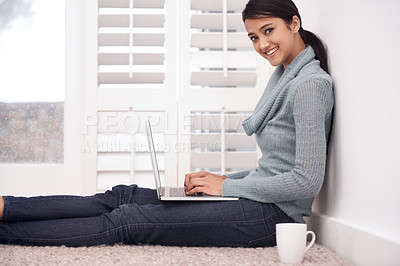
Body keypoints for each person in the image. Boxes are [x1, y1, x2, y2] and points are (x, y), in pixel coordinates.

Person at [0, 0, 334, 247]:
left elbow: (305, 182)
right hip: (255, 197)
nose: (262, 45)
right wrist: (221, 179)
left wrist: (226, 188)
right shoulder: (286, 77)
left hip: (270, 217)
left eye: (268, 31)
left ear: (294, 23)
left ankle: (6, 234)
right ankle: (6, 206)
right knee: (122, 196)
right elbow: (275, 169)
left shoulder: (309, 85)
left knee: (128, 221)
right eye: (253, 37)